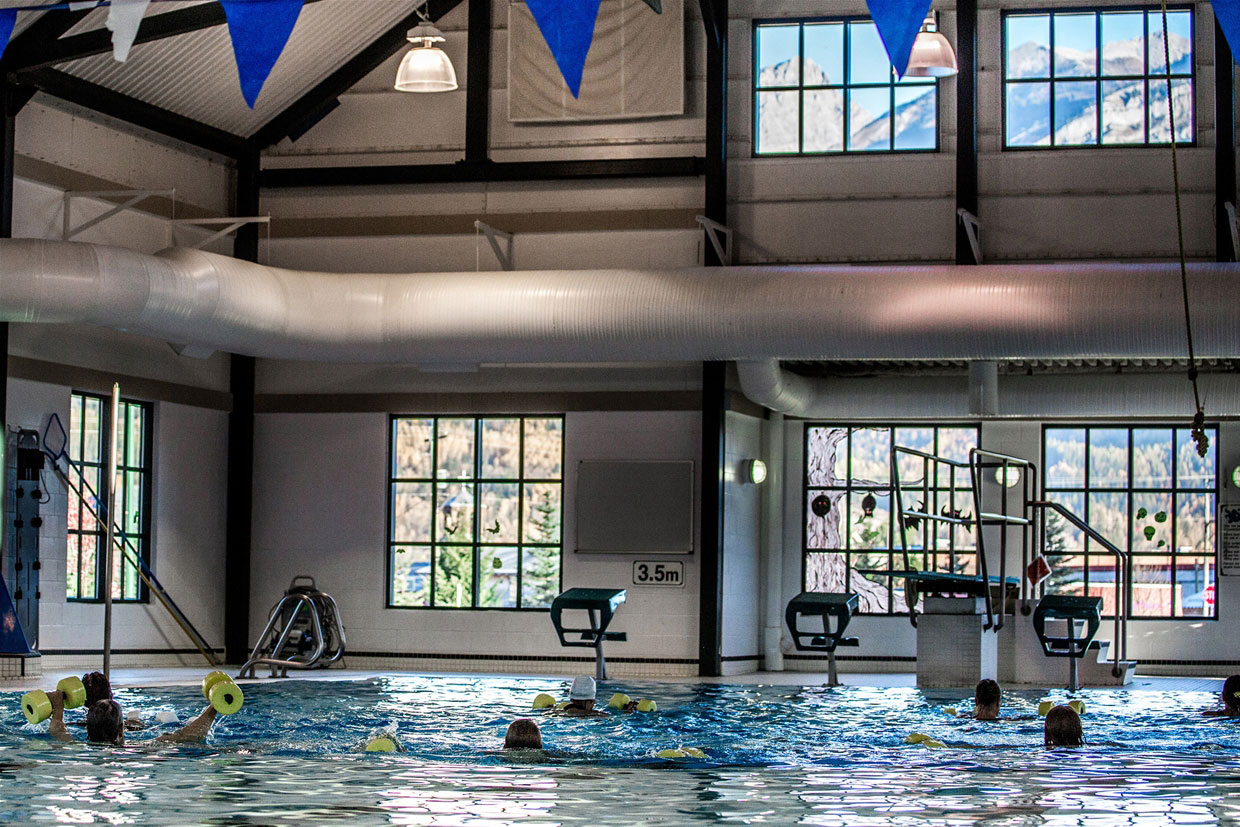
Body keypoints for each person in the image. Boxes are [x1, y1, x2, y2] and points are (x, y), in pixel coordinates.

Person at [46, 690, 219, 746]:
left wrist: (58, 707)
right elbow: (188, 735)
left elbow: (57, 728)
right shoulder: (136, 749)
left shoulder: (75, 746)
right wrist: (214, 706)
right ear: (121, 729)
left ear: (87, 727)